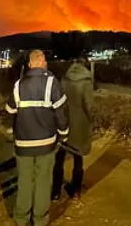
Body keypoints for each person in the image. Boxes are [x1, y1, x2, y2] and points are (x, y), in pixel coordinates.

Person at [5, 50, 69, 226]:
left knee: (25, 180)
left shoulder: (18, 85)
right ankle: (40, 220)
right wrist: (63, 133)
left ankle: (21, 218)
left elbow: (10, 110)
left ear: (30, 64)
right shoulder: (51, 83)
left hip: (23, 143)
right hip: (46, 143)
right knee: (43, 181)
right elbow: (61, 113)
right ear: (43, 62)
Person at [51, 58, 94, 201]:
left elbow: (58, 101)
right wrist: (91, 120)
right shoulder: (86, 82)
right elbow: (89, 106)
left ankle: (56, 191)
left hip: (65, 122)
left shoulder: (64, 79)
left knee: (59, 156)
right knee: (78, 156)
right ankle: (75, 190)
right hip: (80, 124)